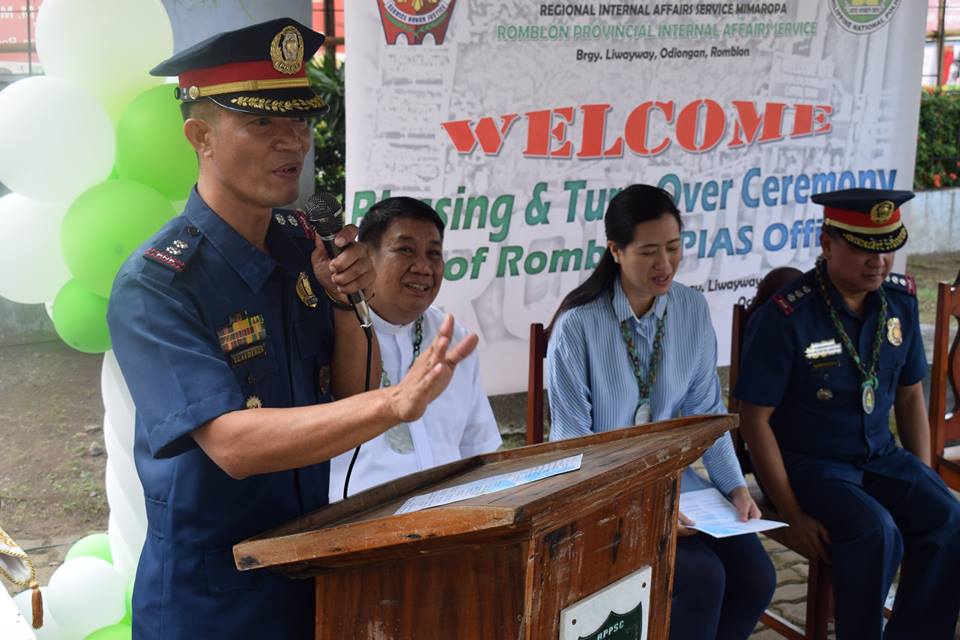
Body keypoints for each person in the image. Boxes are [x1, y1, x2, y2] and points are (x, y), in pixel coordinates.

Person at [106, 19, 476, 640]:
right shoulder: (158, 284)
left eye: (299, 121)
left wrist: (344, 304)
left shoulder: (301, 243)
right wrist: (394, 404)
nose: (292, 142)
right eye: (261, 122)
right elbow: (233, 445)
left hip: (307, 569)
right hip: (214, 599)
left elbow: (352, 389)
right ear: (201, 136)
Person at [547, 184, 775, 640]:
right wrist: (646, 510)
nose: (665, 264)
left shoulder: (690, 309)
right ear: (615, 251)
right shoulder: (578, 326)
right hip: (604, 495)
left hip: (679, 489)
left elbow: (707, 414)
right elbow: (573, 447)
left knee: (757, 578)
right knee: (703, 578)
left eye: (673, 247)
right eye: (649, 251)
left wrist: (735, 489)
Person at [734, 188, 960, 639]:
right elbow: (754, 419)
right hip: (812, 466)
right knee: (877, 533)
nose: (879, 262)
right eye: (863, 249)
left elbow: (909, 397)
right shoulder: (788, 315)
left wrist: (920, 478)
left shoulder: (899, 302)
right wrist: (792, 513)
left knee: (947, 518)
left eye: (887, 249)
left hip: (881, 457)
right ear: (827, 243)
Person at [328, 197, 501, 500]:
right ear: (365, 257)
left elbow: (480, 448)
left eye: (434, 253)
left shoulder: (452, 338)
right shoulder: (330, 331)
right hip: (358, 516)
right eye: (405, 250)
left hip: (452, 512)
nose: (423, 267)